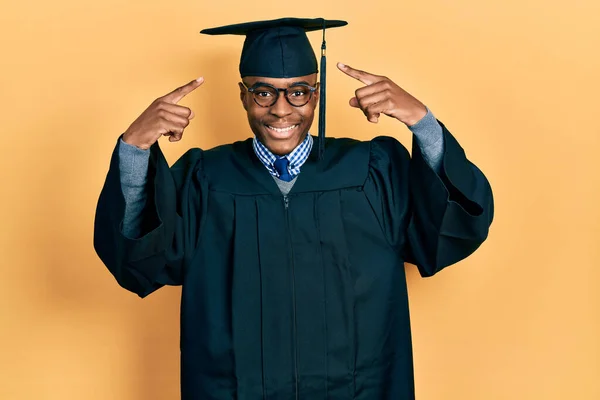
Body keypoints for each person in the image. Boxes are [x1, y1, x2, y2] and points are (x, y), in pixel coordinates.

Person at [94, 17, 493, 400]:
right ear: (243, 95)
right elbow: (139, 261)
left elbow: (445, 232)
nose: (282, 110)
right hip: (232, 389)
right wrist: (134, 149)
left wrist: (422, 122)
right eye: (263, 92)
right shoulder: (205, 179)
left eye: (299, 91)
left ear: (315, 93)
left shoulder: (374, 169)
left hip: (359, 389)